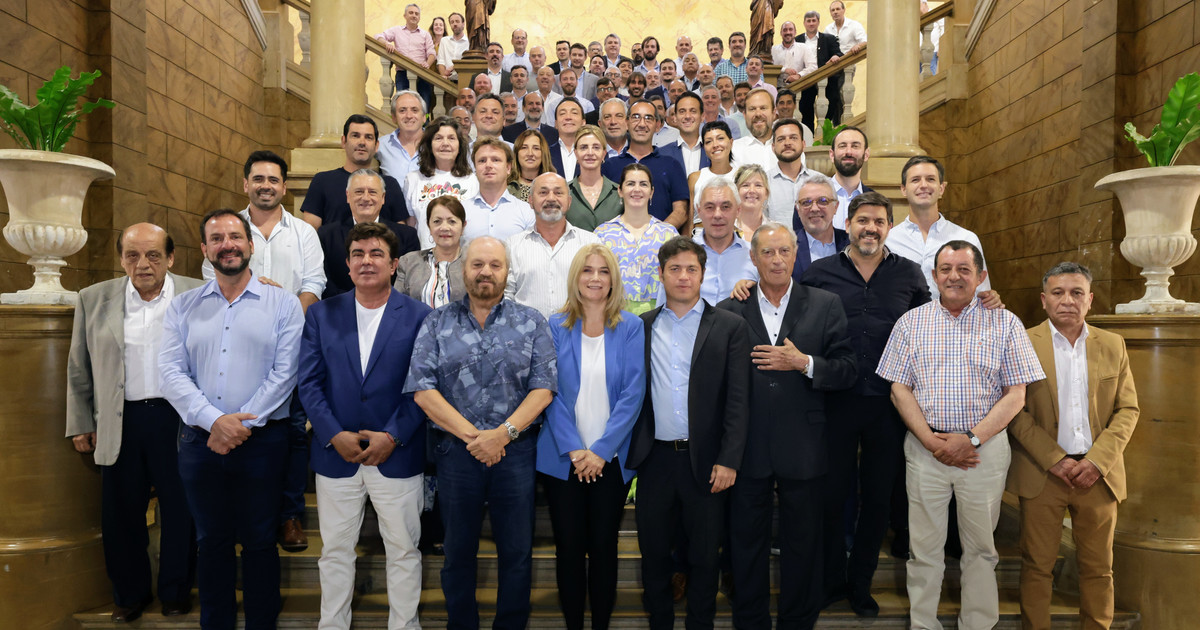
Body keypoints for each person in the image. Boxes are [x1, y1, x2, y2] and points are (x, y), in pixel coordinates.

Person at [876, 240, 1046, 630]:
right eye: (946, 269)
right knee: (923, 549)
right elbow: (899, 389)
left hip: (983, 451)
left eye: (964, 269)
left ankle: (978, 624)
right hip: (925, 450)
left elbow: (1016, 394)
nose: (954, 276)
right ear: (934, 276)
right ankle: (924, 624)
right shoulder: (911, 323)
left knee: (981, 549)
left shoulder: (1005, 323)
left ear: (981, 276)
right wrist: (929, 440)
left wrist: (970, 439)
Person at [160, 209, 305, 630]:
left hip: (263, 443)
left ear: (251, 245)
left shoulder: (283, 303)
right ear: (205, 250)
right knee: (211, 541)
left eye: (235, 237)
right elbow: (170, 373)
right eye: (217, 239)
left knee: (260, 541)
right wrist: (214, 422)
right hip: (200, 443)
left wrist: (239, 426)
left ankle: (261, 623)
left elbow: (286, 373)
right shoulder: (183, 307)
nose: (228, 245)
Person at [405, 236, 557, 630]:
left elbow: (543, 389)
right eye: (477, 264)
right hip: (456, 454)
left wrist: (502, 435)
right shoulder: (436, 322)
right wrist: (476, 438)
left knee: (516, 552)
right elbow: (423, 390)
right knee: (457, 552)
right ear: (463, 269)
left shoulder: (532, 322)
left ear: (507, 272)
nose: (485, 272)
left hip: (516, 454)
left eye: (494, 265)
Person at [717, 221, 857, 630]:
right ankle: (751, 621)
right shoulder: (730, 309)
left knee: (803, 542)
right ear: (753, 257)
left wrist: (803, 363)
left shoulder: (825, 304)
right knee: (746, 542)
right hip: (747, 446)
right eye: (767, 252)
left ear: (796, 256)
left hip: (804, 442)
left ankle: (798, 620)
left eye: (784, 251)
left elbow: (847, 370)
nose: (777, 260)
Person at [799, 192, 931, 617]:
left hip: (889, 405)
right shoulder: (820, 273)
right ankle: (831, 581)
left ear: (889, 227)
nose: (870, 228)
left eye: (878, 221)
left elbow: (931, 327)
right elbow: (795, 321)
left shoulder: (909, 274)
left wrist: (985, 301)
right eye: (862, 221)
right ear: (848, 225)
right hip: (833, 402)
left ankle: (860, 585)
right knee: (831, 496)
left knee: (877, 500)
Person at [299, 222, 432, 630]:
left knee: (404, 550)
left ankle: (404, 625)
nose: (366, 261)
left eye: (376, 254)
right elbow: (309, 382)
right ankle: (332, 625)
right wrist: (332, 433)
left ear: (394, 265)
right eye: (358, 254)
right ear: (347, 263)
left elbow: (424, 386)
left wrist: (393, 435)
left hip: (397, 452)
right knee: (335, 552)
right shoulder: (322, 313)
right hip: (336, 454)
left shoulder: (420, 316)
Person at [66, 223, 201, 623]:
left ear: (170, 258)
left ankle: (176, 592)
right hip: (119, 419)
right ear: (121, 259)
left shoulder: (198, 293)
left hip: (179, 419)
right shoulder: (94, 298)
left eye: (153, 255)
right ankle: (129, 595)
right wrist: (80, 422)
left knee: (181, 510)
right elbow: (79, 366)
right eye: (132, 255)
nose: (143, 264)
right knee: (121, 514)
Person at [202, 151, 324, 554]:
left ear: (284, 187)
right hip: (235, 345)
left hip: (292, 346)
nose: (266, 186)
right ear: (245, 184)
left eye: (273, 180)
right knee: (239, 424)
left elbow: (314, 284)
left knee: (291, 432)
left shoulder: (303, 232)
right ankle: (243, 517)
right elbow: (212, 280)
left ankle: (289, 515)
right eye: (258, 179)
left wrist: (282, 314)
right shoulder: (226, 230)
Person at [1007, 262, 1140, 630]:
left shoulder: (1112, 344)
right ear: (1044, 300)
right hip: (1042, 473)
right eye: (1058, 293)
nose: (1068, 300)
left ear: (1090, 299)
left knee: (1099, 568)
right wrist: (1054, 459)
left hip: (1098, 476)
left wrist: (1097, 462)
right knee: (1037, 566)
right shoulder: (1021, 342)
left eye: (1076, 292)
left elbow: (1128, 409)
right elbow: (1013, 411)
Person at [628, 236, 750, 630]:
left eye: (691, 269)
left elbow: (738, 400)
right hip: (655, 460)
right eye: (675, 269)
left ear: (702, 274)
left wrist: (729, 459)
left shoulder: (730, 326)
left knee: (704, 556)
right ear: (661, 274)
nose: (683, 276)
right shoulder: (641, 327)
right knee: (654, 554)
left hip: (708, 463)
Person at [536, 245, 647, 630]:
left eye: (603, 271)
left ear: (613, 279)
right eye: (587, 270)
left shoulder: (630, 326)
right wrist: (575, 450)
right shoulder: (555, 325)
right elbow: (548, 392)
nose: (595, 278)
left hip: (611, 460)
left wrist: (599, 451)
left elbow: (633, 394)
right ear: (576, 277)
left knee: (603, 547)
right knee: (568, 548)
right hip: (562, 458)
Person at [887, 156, 992, 301]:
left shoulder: (967, 238)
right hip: (902, 315)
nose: (923, 185)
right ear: (903, 189)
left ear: (941, 188)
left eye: (930, 179)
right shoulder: (888, 240)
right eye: (915, 180)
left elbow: (982, 295)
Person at [505, 173, 601, 318]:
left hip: (578, 329)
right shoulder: (513, 245)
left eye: (558, 193)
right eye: (543, 192)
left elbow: (600, 293)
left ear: (569, 201)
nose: (551, 198)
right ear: (530, 201)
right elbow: (507, 297)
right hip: (527, 331)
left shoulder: (590, 244)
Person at [317, 169, 419, 298]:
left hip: (392, 307)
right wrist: (354, 303)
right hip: (339, 306)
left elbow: (409, 283)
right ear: (348, 196)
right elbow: (324, 281)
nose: (365, 198)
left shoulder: (407, 236)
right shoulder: (327, 235)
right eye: (359, 192)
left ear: (383, 197)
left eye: (372, 192)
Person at [301, 114, 411, 229]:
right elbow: (311, 232)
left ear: (376, 145)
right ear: (344, 141)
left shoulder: (390, 184)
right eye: (355, 136)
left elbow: (400, 232)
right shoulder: (322, 181)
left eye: (368, 137)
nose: (362, 142)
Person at [595, 164, 679, 314]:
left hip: (660, 315)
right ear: (620, 191)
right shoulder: (602, 234)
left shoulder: (669, 234)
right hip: (614, 315)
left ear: (651, 192)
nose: (637, 189)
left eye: (643, 184)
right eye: (630, 184)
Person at [601, 99, 689, 231]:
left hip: (661, 240)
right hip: (618, 239)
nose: (642, 124)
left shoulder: (672, 164)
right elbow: (603, 211)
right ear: (627, 123)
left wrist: (655, 235)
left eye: (648, 118)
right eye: (636, 117)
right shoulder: (608, 166)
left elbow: (681, 211)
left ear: (657, 125)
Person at [405, 117, 478, 249]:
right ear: (429, 144)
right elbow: (411, 225)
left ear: (460, 145)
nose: (445, 143)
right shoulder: (413, 179)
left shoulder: (473, 180)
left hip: (462, 256)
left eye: (451, 138)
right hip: (425, 255)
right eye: (438, 138)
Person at [395, 195, 468, 307]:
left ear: (463, 227)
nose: (444, 227)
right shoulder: (408, 262)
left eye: (452, 221)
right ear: (429, 226)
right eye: (437, 221)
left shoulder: (474, 264)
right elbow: (398, 306)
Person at [465, 136, 536, 244]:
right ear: (475, 168)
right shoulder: (462, 211)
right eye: (482, 161)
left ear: (508, 168)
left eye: (496, 160)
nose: (488, 165)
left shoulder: (527, 212)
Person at [375, 4, 436, 111]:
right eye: (411, 13)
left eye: (416, 14)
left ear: (419, 17)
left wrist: (427, 63)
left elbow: (432, 53)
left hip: (422, 75)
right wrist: (387, 44)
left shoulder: (425, 34)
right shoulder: (396, 30)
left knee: (425, 105)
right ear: (405, 16)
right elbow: (378, 36)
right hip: (402, 74)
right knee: (401, 104)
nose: (414, 15)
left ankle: (425, 121)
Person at [791, 172, 850, 279]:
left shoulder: (851, 244)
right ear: (798, 210)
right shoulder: (786, 246)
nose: (814, 208)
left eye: (823, 201)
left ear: (836, 207)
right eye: (806, 202)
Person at [567, 125, 623, 231]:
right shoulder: (564, 192)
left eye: (596, 147)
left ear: (604, 154)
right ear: (576, 153)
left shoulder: (619, 193)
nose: (590, 153)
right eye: (584, 147)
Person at [797, 11, 844, 131]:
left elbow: (839, 53)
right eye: (808, 21)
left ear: (818, 22)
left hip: (827, 80)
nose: (811, 23)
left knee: (831, 103)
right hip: (806, 81)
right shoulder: (797, 40)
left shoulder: (829, 39)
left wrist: (836, 56)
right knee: (805, 110)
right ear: (804, 23)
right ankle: (809, 136)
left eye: (814, 20)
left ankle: (824, 132)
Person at [687, 120, 736, 220]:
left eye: (720, 138)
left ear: (731, 142)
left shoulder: (742, 176)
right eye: (709, 141)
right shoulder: (695, 178)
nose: (715, 145)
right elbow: (690, 220)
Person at [827, 125, 873, 227]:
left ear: (866, 154)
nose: (848, 152)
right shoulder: (812, 198)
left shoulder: (877, 203)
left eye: (855, 146)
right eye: (842, 146)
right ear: (832, 155)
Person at [378, 91, 427, 184]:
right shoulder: (381, 145)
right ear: (394, 117)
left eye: (414, 110)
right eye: (402, 111)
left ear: (424, 117)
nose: (409, 116)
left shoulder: (436, 144)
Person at [766, 118, 809, 225]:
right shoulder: (763, 183)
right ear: (773, 147)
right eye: (781, 139)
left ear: (803, 144)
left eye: (793, 138)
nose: (787, 143)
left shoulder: (819, 181)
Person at [732, 88, 778, 170]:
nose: (758, 114)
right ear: (744, 115)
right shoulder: (734, 149)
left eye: (763, 108)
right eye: (752, 109)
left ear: (774, 113)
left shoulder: (788, 147)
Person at [508, 129, 554, 201]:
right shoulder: (504, 187)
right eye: (524, 148)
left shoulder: (556, 185)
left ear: (544, 154)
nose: (530, 153)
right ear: (516, 153)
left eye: (536, 148)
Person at [774, 21, 818, 87]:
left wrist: (799, 75)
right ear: (781, 33)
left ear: (795, 32)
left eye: (790, 29)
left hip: (799, 87)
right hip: (777, 88)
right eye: (785, 30)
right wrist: (784, 70)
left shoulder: (804, 48)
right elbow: (768, 67)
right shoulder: (773, 50)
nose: (788, 32)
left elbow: (813, 67)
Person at [734, 164, 770, 236]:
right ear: (736, 192)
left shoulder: (776, 231)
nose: (752, 190)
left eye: (758, 185)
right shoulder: (724, 229)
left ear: (766, 193)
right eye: (745, 185)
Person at [435, 12, 469, 83]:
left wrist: (453, 67)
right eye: (452, 22)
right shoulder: (444, 40)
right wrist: (444, 77)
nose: (455, 24)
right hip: (447, 80)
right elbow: (441, 61)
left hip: (464, 80)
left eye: (457, 21)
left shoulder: (469, 42)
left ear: (463, 24)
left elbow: (469, 63)